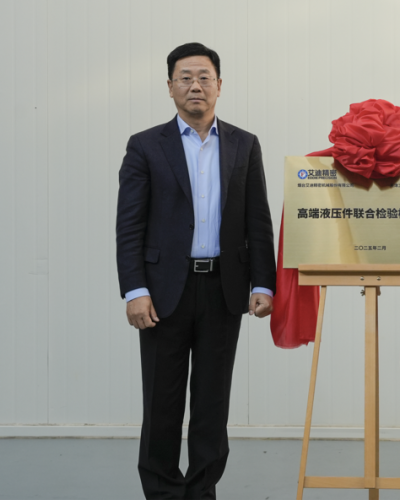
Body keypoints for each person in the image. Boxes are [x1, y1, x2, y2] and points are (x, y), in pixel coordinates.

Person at [116, 42, 276, 500]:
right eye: (185, 78)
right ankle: (163, 493)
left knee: (212, 403)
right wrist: (134, 290)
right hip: (164, 292)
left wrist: (263, 283)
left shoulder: (244, 144)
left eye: (204, 77)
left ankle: (203, 491)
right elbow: (129, 225)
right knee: (162, 402)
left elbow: (258, 219)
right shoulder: (146, 145)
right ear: (169, 87)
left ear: (219, 86)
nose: (195, 86)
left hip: (224, 288)